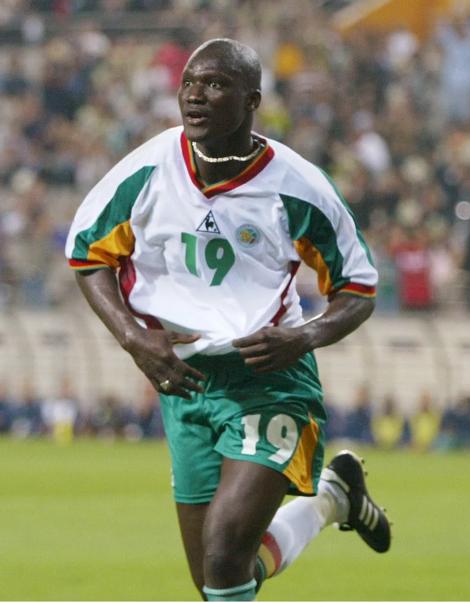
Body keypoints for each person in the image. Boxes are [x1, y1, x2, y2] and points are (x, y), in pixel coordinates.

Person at [65, 38, 390, 601]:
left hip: (267, 379)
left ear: (252, 100)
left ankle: (326, 497)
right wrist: (133, 338)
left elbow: (358, 289)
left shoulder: (297, 186)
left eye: (215, 84)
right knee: (219, 578)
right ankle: (332, 499)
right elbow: (86, 254)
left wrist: (304, 336)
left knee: (223, 553)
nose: (195, 95)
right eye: (189, 83)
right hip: (184, 381)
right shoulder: (148, 169)